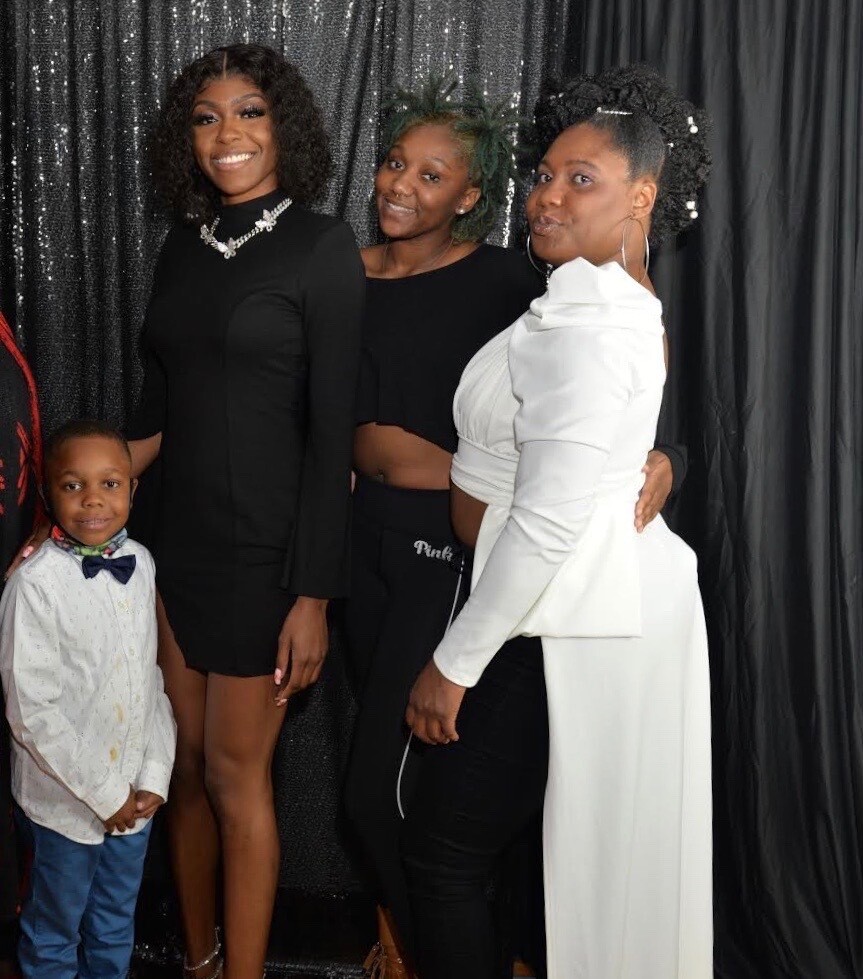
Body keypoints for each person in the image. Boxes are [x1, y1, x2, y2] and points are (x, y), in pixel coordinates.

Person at [11, 43, 364, 979]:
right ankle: (200, 961)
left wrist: (313, 595)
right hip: (171, 547)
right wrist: (58, 520)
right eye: (207, 118)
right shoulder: (184, 245)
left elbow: (334, 435)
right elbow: (154, 416)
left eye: (249, 112)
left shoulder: (322, 246)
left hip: (267, 556)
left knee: (236, 778)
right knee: (183, 770)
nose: (227, 134)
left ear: (283, 126)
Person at [343, 78, 686, 978]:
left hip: (545, 616)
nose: (547, 196)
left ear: (640, 197)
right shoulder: (574, 301)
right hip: (520, 601)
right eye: (545, 176)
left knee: (445, 854)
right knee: (479, 848)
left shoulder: (593, 322)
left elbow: (549, 515)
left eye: (581, 179)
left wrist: (454, 662)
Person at [0, 419, 176, 979]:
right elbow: (31, 713)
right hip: (65, 806)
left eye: (110, 484)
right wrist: (104, 793)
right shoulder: (34, 585)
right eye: (73, 485)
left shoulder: (142, 564)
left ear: (133, 489)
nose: (93, 500)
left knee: (114, 925)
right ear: (48, 493)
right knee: (54, 932)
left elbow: (149, 681)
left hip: (134, 804)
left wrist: (154, 775)